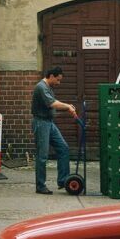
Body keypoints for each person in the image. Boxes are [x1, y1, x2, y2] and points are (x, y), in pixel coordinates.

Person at [31, 66, 77, 194]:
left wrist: (68, 106)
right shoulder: (41, 87)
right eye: (57, 80)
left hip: (49, 123)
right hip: (41, 123)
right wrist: (67, 106)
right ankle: (40, 186)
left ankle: (63, 181)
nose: (58, 82)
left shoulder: (48, 87)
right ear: (51, 76)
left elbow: (54, 101)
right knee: (42, 156)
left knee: (63, 148)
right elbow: (52, 103)